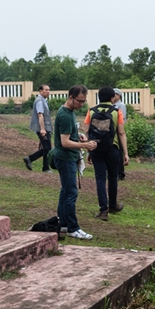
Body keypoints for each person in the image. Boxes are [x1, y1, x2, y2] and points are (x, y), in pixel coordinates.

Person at [53, 84, 98, 240]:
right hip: (65, 158)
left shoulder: (69, 112)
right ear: (71, 97)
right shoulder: (65, 115)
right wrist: (85, 145)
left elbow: (68, 134)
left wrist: (77, 135)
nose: (81, 104)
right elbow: (64, 142)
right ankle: (73, 228)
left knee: (66, 191)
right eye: (79, 101)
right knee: (71, 192)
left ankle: (62, 225)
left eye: (84, 102)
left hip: (67, 158)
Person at [83, 86, 129, 221]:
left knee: (100, 179)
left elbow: (87, 133)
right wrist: (125, 153)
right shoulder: (117, 112)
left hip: (96, 148)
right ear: (112, 98)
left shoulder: (91, 111)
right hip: (112, 149)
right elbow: (121, 133)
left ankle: (103, 210)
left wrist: (89, 151)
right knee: (113, 177)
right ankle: (113, 205)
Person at [24, 84, 52, 171]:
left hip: (45, 127)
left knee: (46, 148)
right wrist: (42, 129)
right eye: (46, 90)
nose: (48, 92)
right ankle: (31, 159)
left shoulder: (43, 101)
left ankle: (45, 167)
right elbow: (40, 115)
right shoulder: (40, 101)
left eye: (48, 90)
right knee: (47, 148)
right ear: (40, 91)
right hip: (42, 128)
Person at [112, 89, 128, 181]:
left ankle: (120, 173)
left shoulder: (121, 106)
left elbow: (122, 119)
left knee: (119, 152)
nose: (113, 96)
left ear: (119, 96)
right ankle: (116, 172)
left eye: (115, 94)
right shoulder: (112, 105)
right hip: (113, 130)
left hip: (118, 130)